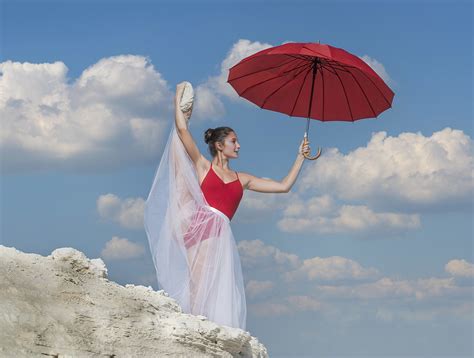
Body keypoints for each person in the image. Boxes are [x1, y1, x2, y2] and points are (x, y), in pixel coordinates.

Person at [144, 81, 311, 331]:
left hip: (222, 235)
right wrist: (177, 99)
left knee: (219, 286)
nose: (239, 145)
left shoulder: (242, 179)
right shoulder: (202, 166)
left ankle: (210, 332)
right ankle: (194, 330)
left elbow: (283, 186)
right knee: (198, 283)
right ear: (219, 145)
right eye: (234, 141)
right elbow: (181, 130)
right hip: (200, 228)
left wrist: (300, 156)